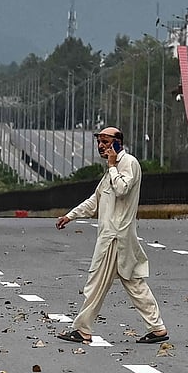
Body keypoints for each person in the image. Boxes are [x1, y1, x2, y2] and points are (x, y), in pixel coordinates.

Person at [55, 127, 168, 345]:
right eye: (99, 142)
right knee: (134, 282)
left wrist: (113, 166)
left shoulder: (127, 164)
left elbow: (122, 189)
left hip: (114, 237)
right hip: (115, 236)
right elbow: (95, 201)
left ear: (118, 143)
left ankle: (82, 330)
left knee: (95, 283)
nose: (101, 146)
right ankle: (157, 328)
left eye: (106, 142)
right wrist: (70, 216)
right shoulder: (112, 169)